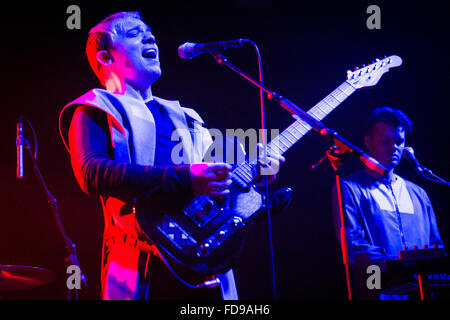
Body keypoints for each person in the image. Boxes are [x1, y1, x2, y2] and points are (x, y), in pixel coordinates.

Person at [58, 11, 284, 300]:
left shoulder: (188, 118)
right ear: (105, 57)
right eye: (133, 33)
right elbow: (92, 173)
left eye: (149, 31)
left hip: (205, 264)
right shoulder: (94, 108)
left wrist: (256, 179)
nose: (149, 36)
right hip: (138, 266)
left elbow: (219, 198)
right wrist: (187, 177)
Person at [331, 106, 444, 299]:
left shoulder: (419, 193)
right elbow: (353, 244)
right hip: (376, 289)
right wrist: (397, 266)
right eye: (386, 141)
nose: (394, 147)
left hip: (422, 291)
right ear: (368, 142)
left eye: (399, 141)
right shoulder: (350, 188)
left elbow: (435, 243)